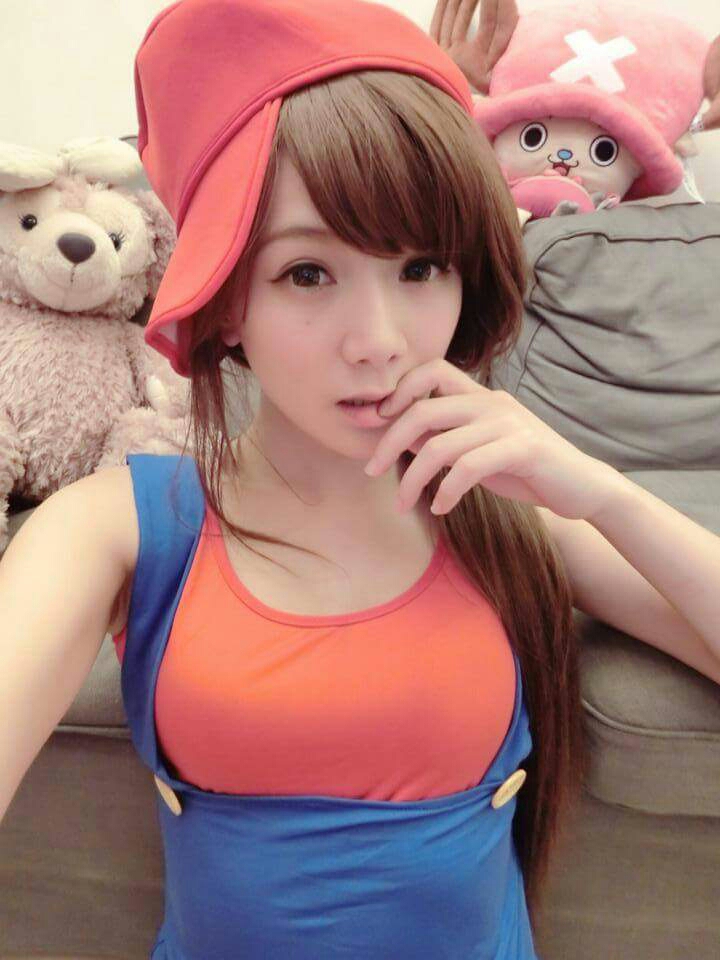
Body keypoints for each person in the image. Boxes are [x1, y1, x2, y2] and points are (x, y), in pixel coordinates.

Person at [2, 0, 719, 957]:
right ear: (226, 299)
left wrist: (602, 491)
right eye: (307, 273)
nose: (379, 342)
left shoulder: (507, 515)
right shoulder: (115, 529)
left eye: (421, 267)